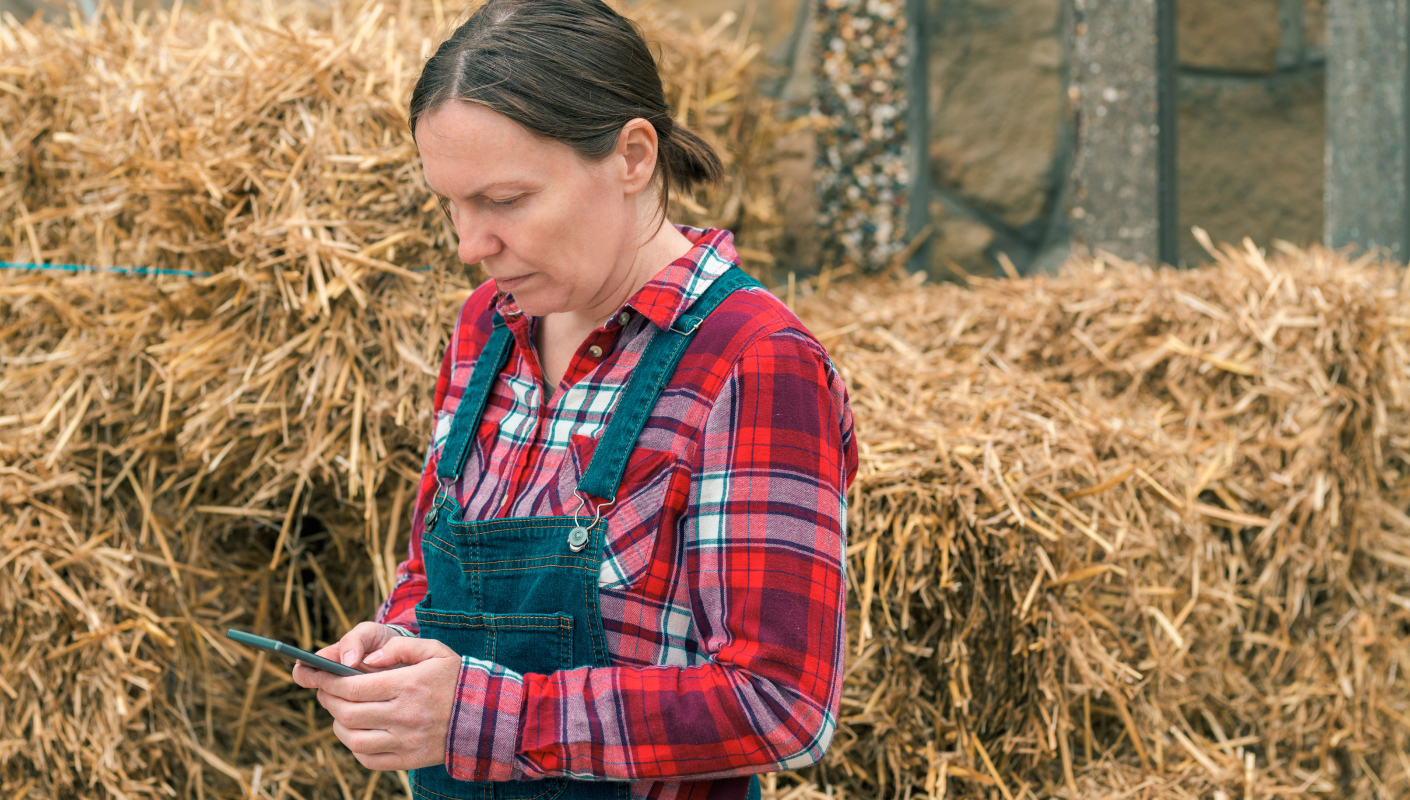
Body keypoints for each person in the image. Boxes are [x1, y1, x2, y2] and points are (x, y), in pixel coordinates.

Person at [292, 1, 857, 798]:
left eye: (506, 200)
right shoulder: (487, 330)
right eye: (450, 204)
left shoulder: (751, 362)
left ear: (631, 156)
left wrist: (478, 717)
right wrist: (396, 649)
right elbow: (434, 565)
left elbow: (781, 705)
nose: (469, 245)